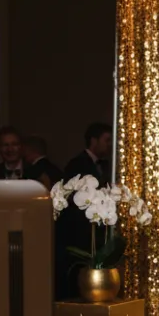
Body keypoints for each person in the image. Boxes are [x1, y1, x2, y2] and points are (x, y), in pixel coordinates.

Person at [58, 123, 113, 298]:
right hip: (81, 233)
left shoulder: (106, 166)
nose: (110, 144)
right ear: (93, 140)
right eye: (107, 140)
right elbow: (73, 201)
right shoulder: (76, 165)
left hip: (98, 233)